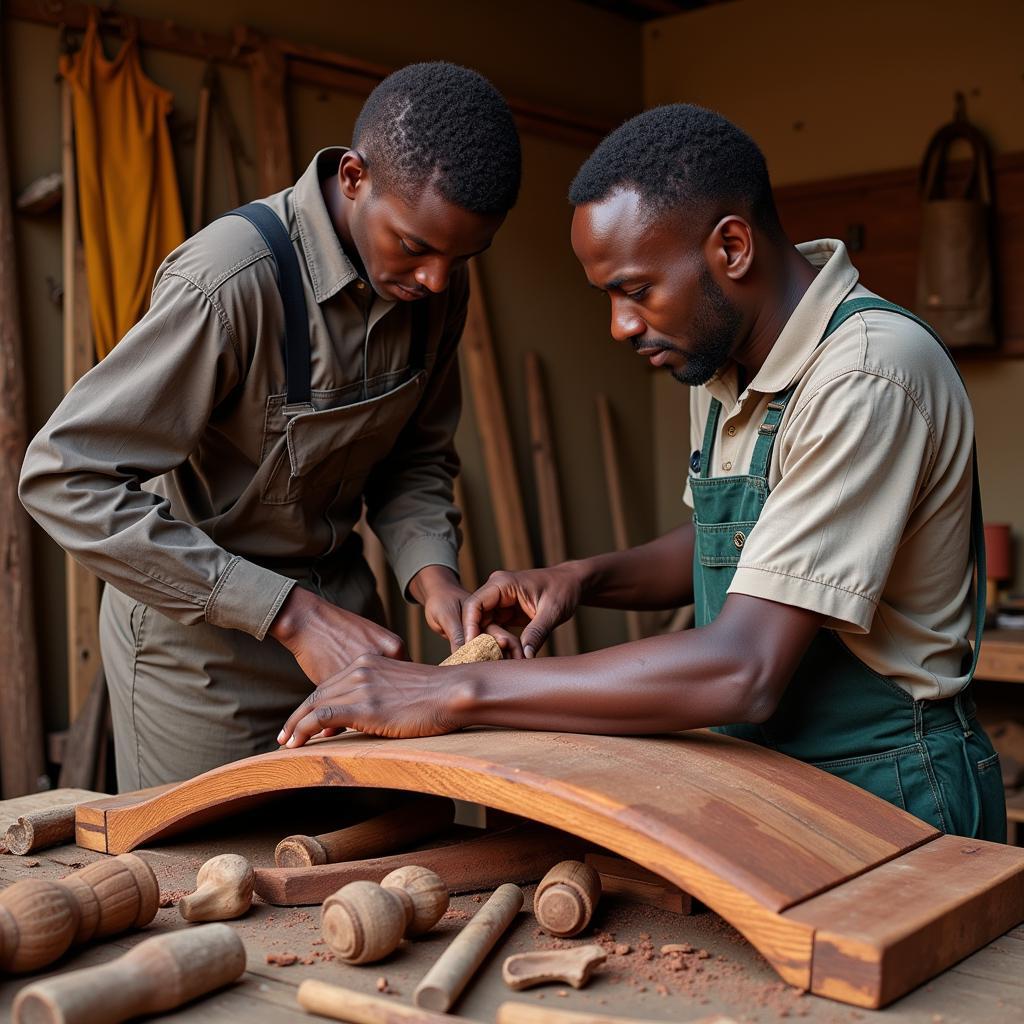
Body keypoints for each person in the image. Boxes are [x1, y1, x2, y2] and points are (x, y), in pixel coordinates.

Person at [277, 104, 1005, 842]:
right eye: (609, 298)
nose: (620, 327)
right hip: (773, 773)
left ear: (731, 247)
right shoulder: (724, 363)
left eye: (636, 289)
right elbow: (743, 546)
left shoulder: (867, 375)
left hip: (891, 784)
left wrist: (453, 690)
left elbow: (743, 669)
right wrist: (584, 577)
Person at [20, 62, 522, 791]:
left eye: (462, 257)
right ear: (354, 177)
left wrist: (434, 580)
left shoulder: (436, 283)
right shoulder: (230, 281)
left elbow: (414, 458)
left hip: (349, 633)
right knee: (209, 884)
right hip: (201, 658)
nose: (438, 281)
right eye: (416, 247)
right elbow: (63, 477)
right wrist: (286, 614)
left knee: (375, 858)